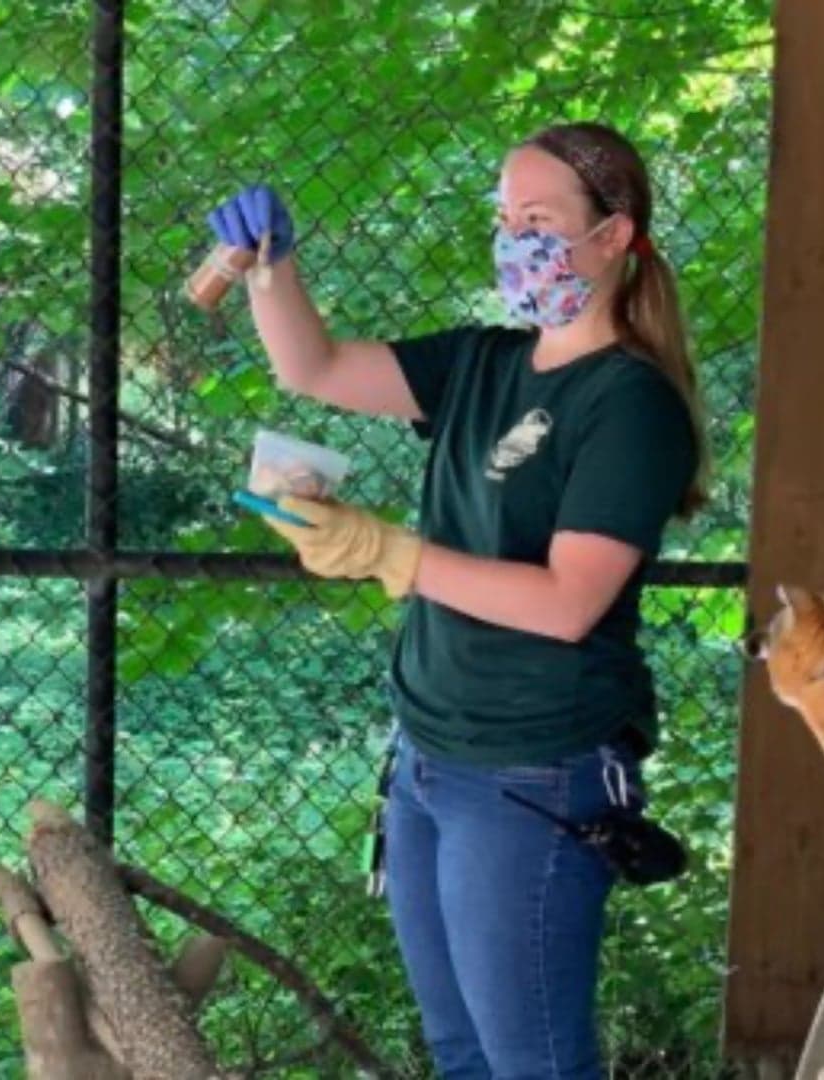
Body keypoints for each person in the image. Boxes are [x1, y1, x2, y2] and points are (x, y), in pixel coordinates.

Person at [205, 120, 706, 1080]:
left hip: (533, 770)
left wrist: (388, 550)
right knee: (461, 1053)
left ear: (613, 237)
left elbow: (568, 603)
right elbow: (312, 368)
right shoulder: (485, 362)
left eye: (540, 218)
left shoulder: (629, 404)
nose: (515, 236)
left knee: (535, 1064)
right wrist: (270, 267)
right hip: (429, 756)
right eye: (503, 215)